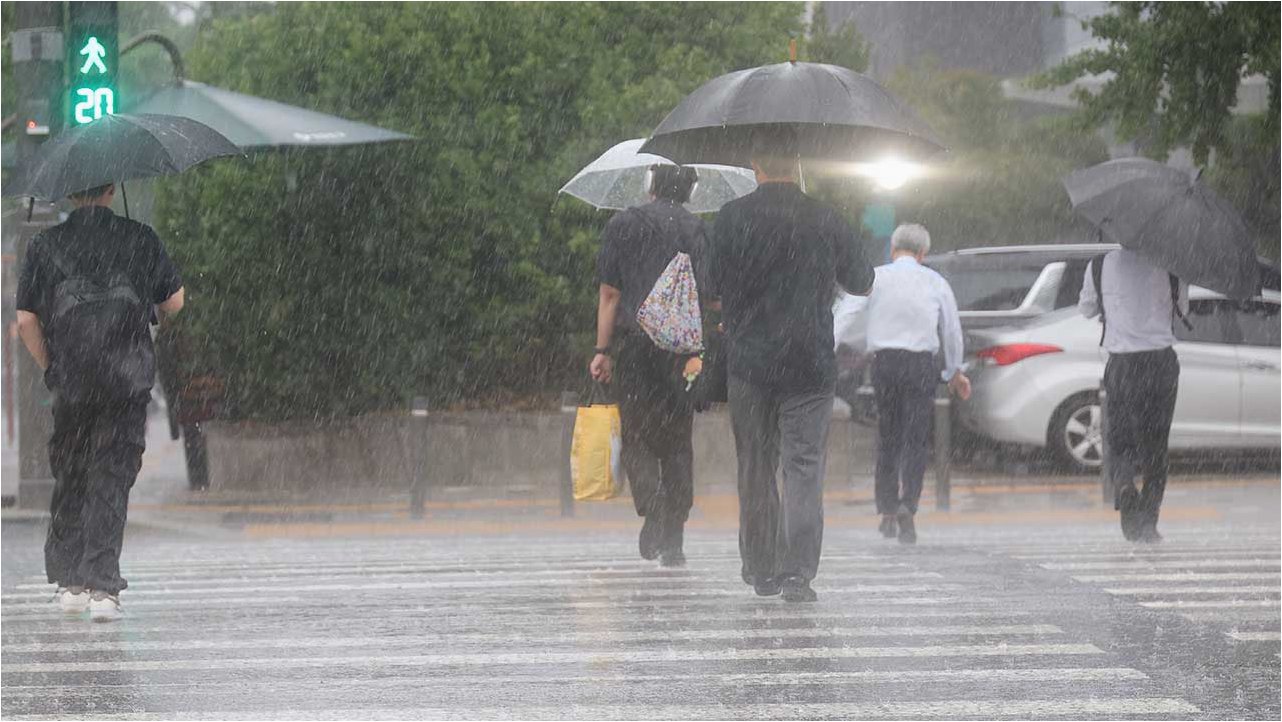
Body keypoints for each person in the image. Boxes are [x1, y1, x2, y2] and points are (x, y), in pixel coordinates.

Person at [709, 128, 874, 602]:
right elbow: (863, 282)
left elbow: (711, 286)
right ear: (797, 164)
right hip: (809, 362)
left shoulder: (730, 217)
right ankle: (797, 573)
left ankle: (761, 568)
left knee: (755, 465)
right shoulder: (824, 217)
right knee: (802, 466)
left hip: (750, 363)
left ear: (755, 166)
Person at [15, 183, 185, 622]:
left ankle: (70, 581)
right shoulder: (141, 237)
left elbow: (25, 320)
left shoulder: (44, 245)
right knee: (112, 474)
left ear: (69, 193)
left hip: (72, 381)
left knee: (72, 471)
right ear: (112, 188)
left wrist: (52, 365)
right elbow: (175, 301)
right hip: (125, 381)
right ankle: (103, 588)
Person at [590, 165, 708, 568]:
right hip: (683, 352)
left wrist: (602, 350)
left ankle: (652, 505)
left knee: (637, 435)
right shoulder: (698, 230)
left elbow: (610, 294)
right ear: (691, 189)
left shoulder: (623, 225)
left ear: (651, 183)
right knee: (678, 440)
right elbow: (709, 294)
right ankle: (673, 539)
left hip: (635, 346)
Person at [864, 224, 970, 545]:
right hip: (921, 365)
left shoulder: (875, 277)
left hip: (884, 362)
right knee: (916, 438)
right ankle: (908, 504)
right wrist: (954, 371)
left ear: (893, 248)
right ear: (923, 253)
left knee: (888, 435)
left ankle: (886, 509)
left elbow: (848, 312)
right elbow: (951, 330)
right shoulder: (935, 282)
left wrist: (828, 345)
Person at [1079, 248, 1186, 543]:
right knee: (1156, 445)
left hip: (1122, 363)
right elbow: (1182, 309)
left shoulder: (1100, 265)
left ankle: (1125, 485)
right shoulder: (1172, 263)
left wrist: (1115, 305)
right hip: (1160, 363)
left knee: (1120, 439)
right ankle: (1149, 520)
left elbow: (1086, 308)